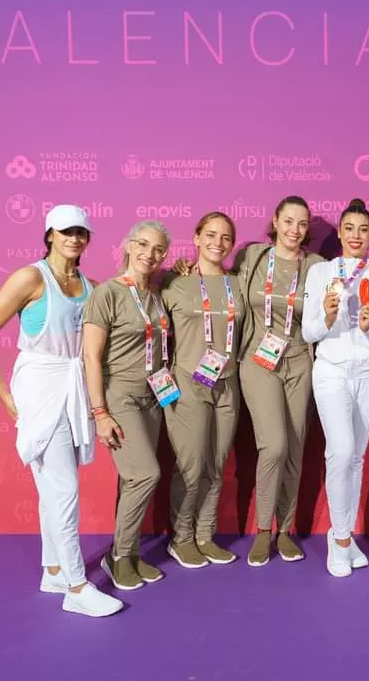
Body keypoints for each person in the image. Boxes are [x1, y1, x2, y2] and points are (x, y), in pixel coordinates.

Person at [0, 205, 123, 617]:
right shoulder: (29, 277)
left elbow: (130, 296)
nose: (74, 238)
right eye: (65, 231)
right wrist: (4, 395)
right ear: (49, 235)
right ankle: (77, 586)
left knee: (51, 488)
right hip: (40, 386)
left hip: (72, 387)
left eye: (81, 232)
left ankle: (54, 569)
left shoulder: (92, 285)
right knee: (63, 488)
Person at [302, 198, 369, 577]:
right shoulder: (321, 273)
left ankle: (346, 534)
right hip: (332, 372)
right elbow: (310, 331)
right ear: (339, 232)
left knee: (356, 458)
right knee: (339, 453)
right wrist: (327, 314)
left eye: (363, 229)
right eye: (349, 228)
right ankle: (339, 539)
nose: (356, 235)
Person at [83, 220, 174, 592]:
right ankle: (118, 556)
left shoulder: (155, 296)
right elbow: (91, 356)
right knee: (146, 474)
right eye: (142, 244)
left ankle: (131, 553)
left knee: (130, 478)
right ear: (127, 245)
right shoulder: (106, 293)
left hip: (152, 396)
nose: (149, 254)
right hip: (120, 396)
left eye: (158, 250)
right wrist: (100, 412)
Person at [237, 196, 325, 567]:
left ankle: (285, 529)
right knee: (273, 445)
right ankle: (262, 530)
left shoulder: (318, 266)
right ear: (275, 221)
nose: (294, 230)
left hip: (300, 359)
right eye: (288, 221)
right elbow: (219, 282)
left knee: (295, 445)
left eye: (302, 224)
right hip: (259, 360)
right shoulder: (253, 257)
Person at [160, 212, 245, 568]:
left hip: (227, 384)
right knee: (191, 465)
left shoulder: (237, 284)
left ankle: (205, 534)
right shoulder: (173, 283)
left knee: (217, 462)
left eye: (226, 237)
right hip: (189, 383)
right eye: (210, 235)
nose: (218, 243)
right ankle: (181, 539)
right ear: (195, 238)